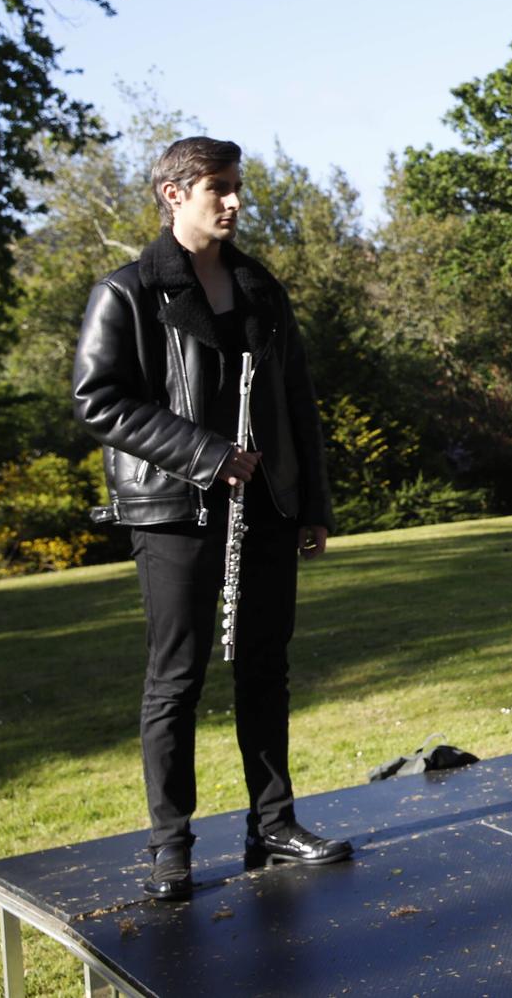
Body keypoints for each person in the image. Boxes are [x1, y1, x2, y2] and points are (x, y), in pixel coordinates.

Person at [72, 136, 348, 902]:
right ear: (173, 193)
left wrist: (310, 503)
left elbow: (298, 403)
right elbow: (98, 400)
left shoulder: (260, 287)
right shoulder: (126, 291)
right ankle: (171, 846)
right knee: (177, 678)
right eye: (217, 189)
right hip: (174, 511)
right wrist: (204, 453)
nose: (232, 201)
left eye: (235, 187)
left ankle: (274, 824)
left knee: (267, 669)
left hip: (263, 506)